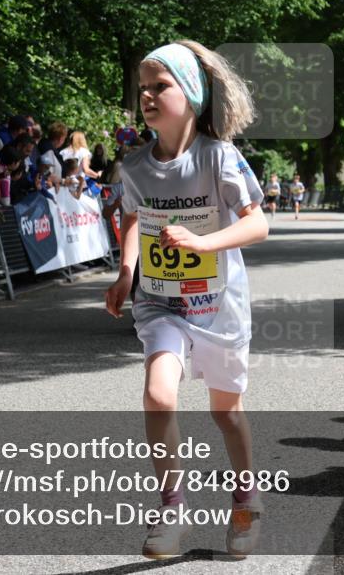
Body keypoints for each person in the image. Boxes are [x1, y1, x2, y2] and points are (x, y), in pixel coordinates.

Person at [104, 40, 268, 559]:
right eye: (143, 89)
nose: (147, 96)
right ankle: (172, 509)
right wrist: (126, 270)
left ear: (191, 94)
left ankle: (245, 499)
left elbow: (258, 224)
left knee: (227, 414)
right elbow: (132, 218)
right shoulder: (134, 166)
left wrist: (202, 243)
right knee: (158, 395)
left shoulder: (218, 157)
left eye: (160, 86)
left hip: (218, 305)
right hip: (161, 302)